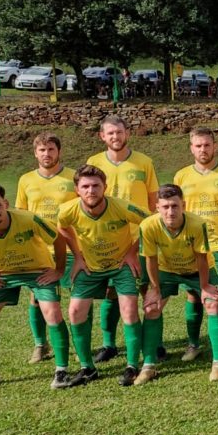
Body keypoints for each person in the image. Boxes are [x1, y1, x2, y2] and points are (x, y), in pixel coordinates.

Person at [0, 184, 72, 391]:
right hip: (4, 273)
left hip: (39, 270)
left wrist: (58, 270)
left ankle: (62, 371)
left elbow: (58, 238)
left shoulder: (29, 219)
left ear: (6, 204)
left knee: (53, 314)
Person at [56, 165, 149, 387]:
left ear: (104, 187)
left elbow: (150, 223)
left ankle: (131, 366)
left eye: (96, 186)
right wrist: (77, 256)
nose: (91, 191)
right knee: (75, 311)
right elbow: (62, 228)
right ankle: (87, 368)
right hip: (90, 266)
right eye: (85, 186)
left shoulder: (121, 206)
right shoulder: (67, 210)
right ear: (77, 189)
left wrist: (132, 253)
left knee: (129, 310)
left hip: (121, 265)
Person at [85, 115, 159, 363]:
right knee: (111, 291)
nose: (115, 137)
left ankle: (153, 342)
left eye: (119, 132)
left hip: (138, 239)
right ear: (102, 136)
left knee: (146, 290)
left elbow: (153, 203)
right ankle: (109, 344)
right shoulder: (94, 162)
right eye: (110, 133)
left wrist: (147, 235)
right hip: (106, 240)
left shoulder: (144, 162)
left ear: (128, 133)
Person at [173, 128, 218, 362]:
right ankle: (193, 344)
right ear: (191, 148)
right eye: (198, 146)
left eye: (207, 145)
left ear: (215, 146)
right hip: (194, 247)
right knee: (194, 296)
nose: (203, 149)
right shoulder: (181, 176)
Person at [139, 184, 218, 384]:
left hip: (198, 269)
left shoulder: (197, 224)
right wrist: (155, 289)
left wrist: (204, 286)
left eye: (175, 206)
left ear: (183, 205)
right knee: (151, 308)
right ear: (157, 207)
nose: (170, 211)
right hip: (167, 270)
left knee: (213, 304)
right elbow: (150, 259)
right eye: (165, 207)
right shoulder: (148, 226)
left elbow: (201, 258)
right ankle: (148, 366)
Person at [14, 132, 78, 364]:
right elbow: (20, 214)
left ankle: (80, 345)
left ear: (59, 151)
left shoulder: (73, 177)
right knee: (37, 298)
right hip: (39, 250)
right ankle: (41, 345)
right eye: (42, 150)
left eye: (51, 149)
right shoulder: (26, 180)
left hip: (70, 247)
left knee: (78, 298)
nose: (47, 154)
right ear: (35, 153)